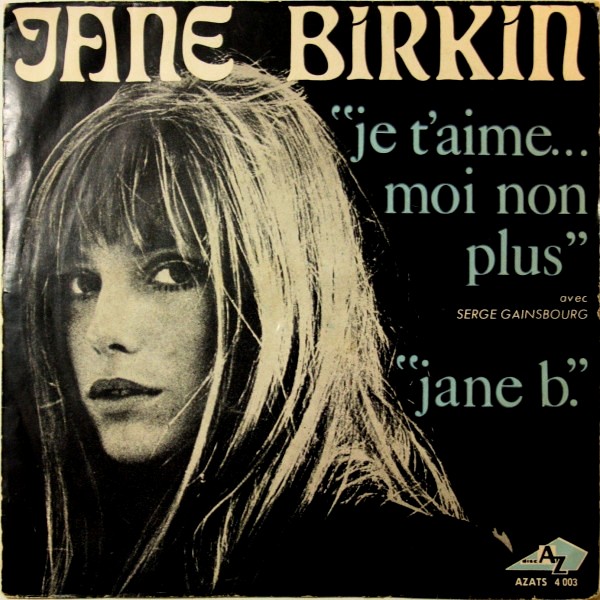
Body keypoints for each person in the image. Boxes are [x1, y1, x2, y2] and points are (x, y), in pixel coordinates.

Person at [6, 63, 507, 596]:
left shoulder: (433, 572)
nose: (102, 330)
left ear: (278, 291)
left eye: (172, 273)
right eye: (80, 283)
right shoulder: (39, 554)